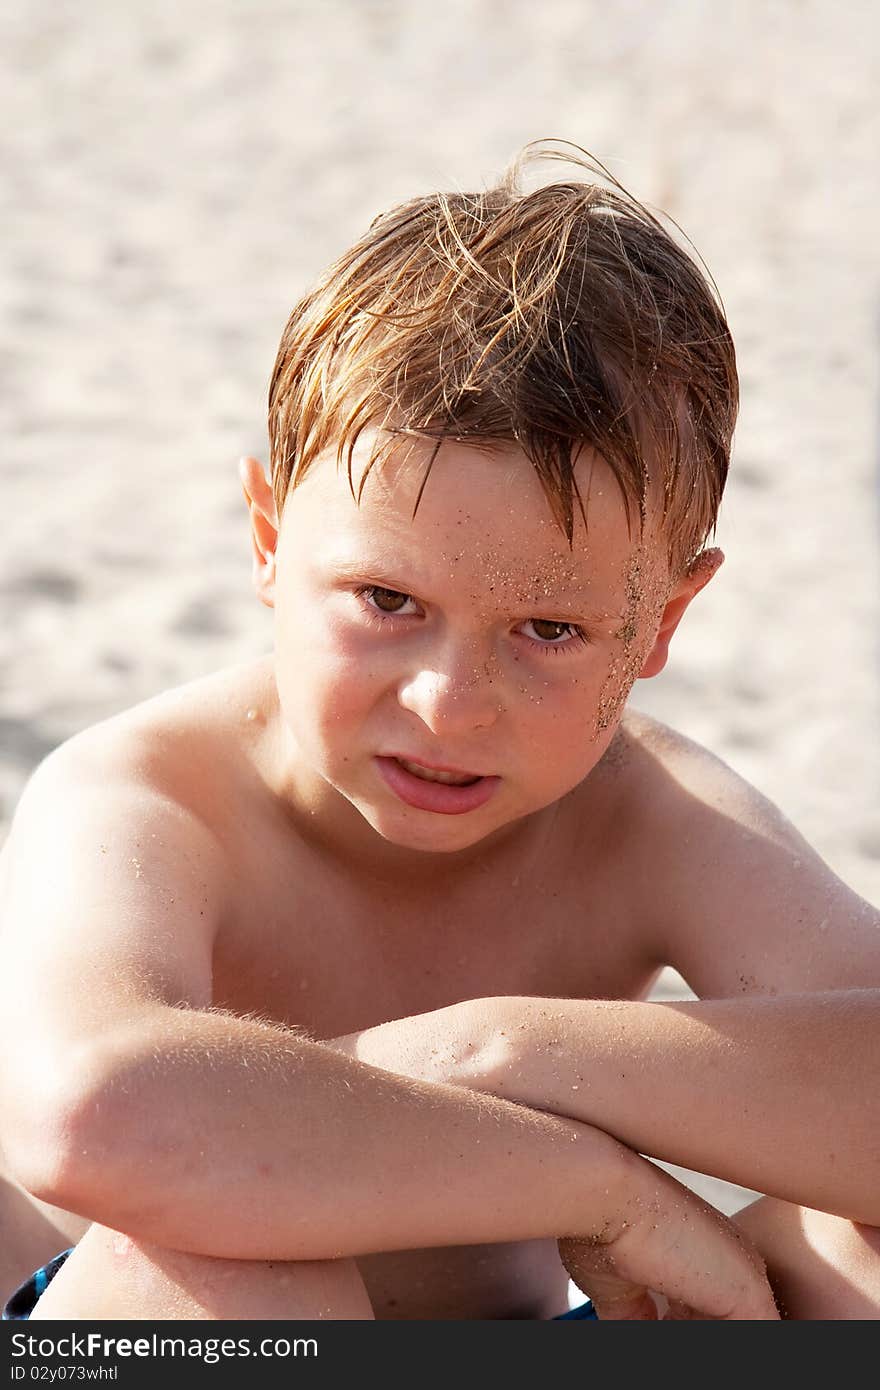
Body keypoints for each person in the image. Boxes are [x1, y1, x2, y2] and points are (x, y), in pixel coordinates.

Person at [1, 141, 878, 1322]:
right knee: (229, 1257)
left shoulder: (647, 818)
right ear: (267, 538)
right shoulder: (149, 796)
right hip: (143, 1327)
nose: (450, 704)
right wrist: (604, 1192)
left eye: (550, 631)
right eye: (387, 601)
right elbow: (90, 1116)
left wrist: (499, 1051)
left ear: (661, 620)